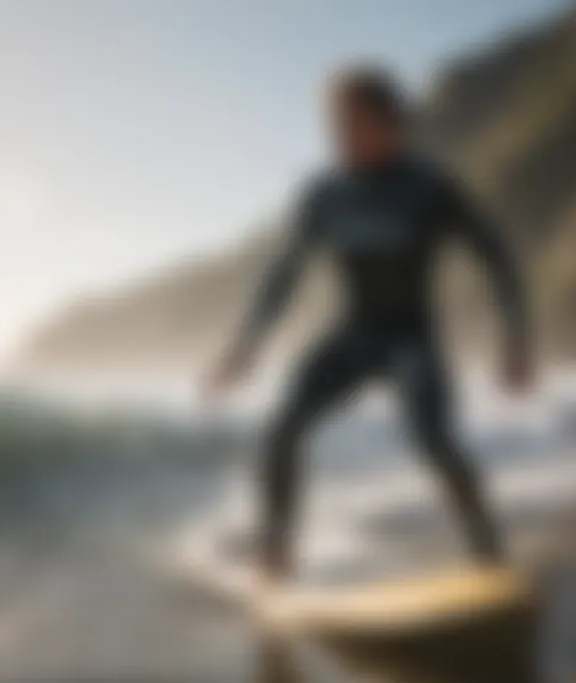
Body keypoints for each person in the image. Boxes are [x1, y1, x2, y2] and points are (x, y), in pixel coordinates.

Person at [201, 66, 534, 585]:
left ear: (391, 124)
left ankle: (488, 549)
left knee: (433, 440)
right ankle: (275, 555)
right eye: (334, 126)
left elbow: (495, 258)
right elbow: (283, 272)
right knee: (281, 430)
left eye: (352, 125)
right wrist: (244, 347)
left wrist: (514, 340)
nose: (340, 138)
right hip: (352, 335)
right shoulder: (323, 193)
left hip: (411, 337)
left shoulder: (429, 188)